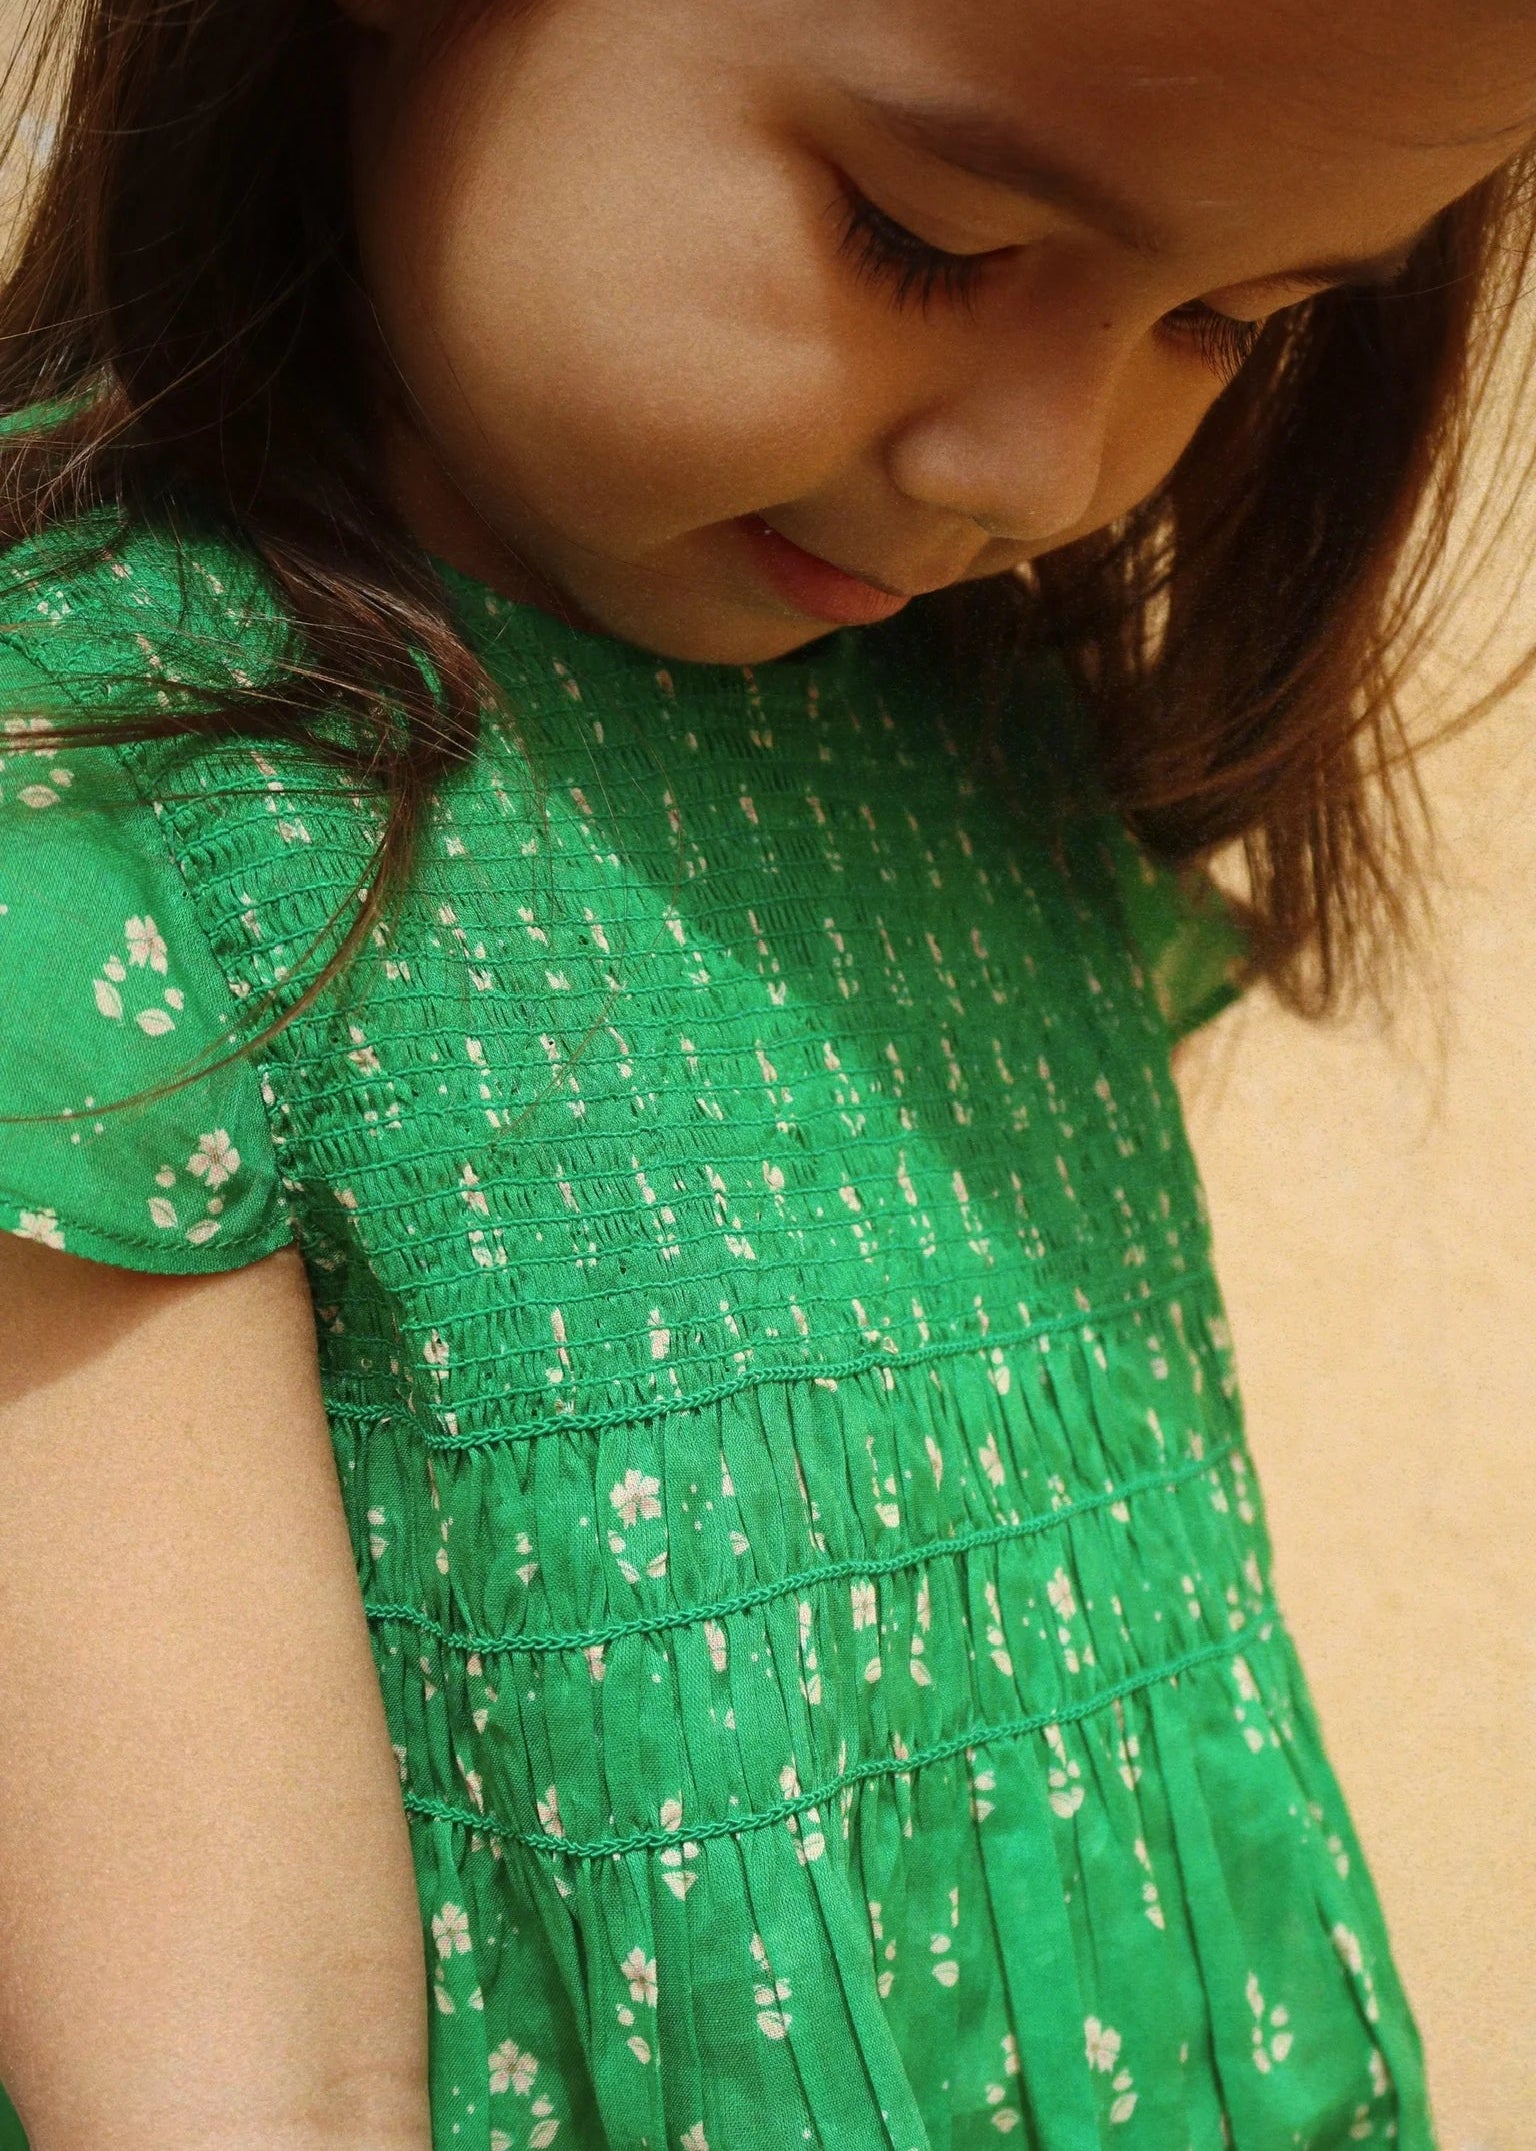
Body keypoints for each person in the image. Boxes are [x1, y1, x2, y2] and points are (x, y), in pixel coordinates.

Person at [0, 0, 1531, 2145]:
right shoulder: (104, 794)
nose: (1046, 470)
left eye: (1227, 322)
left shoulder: (983, 762)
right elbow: (247, 2081)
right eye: (919, 238)